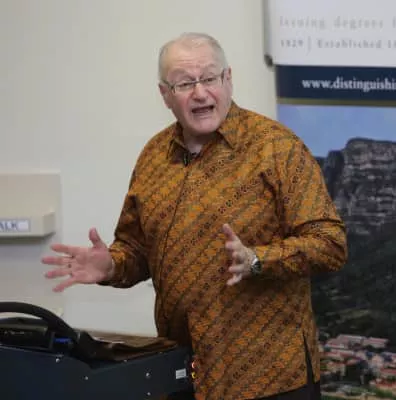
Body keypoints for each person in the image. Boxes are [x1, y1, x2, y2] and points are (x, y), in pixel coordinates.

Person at [41, 32, 347, 400]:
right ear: (165, 94)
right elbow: (138, 251)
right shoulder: (154, 156)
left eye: (209, 78)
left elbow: (330, 244)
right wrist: (111, 266)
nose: (200, 93)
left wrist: (257, 259)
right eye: (185, 83)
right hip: (183, 372)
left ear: (228, 79)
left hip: (270, 376)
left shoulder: (278, 148)